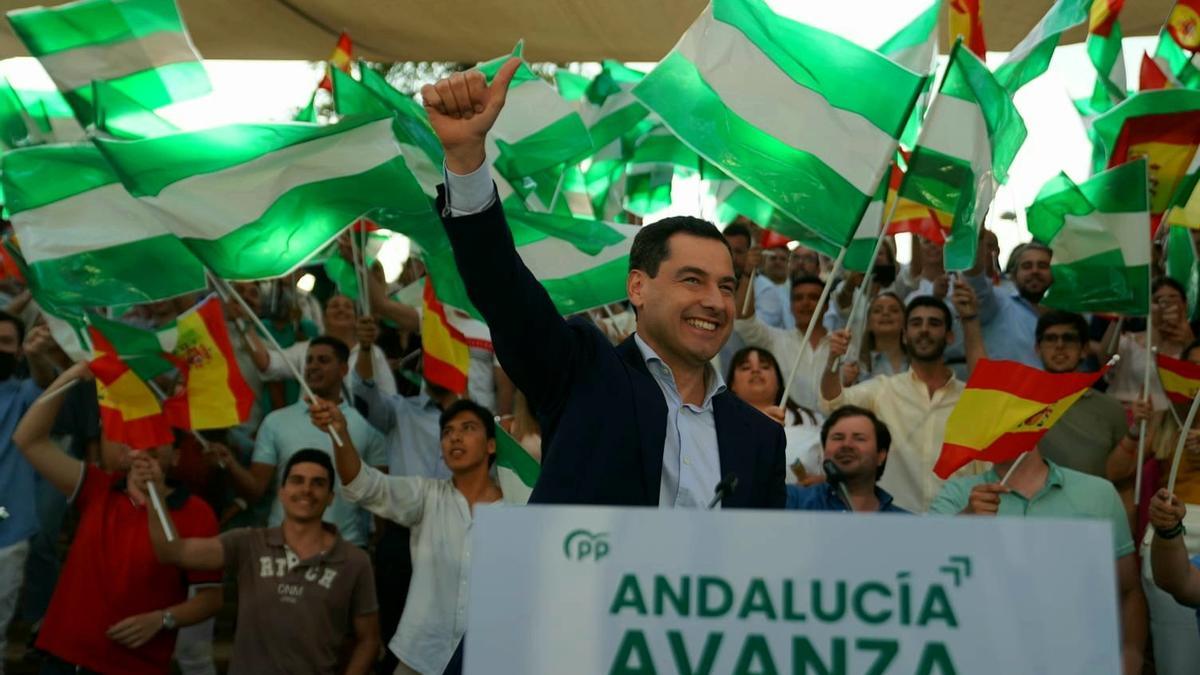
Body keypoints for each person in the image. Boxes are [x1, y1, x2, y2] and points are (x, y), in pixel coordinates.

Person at [422, 59, 785, 508]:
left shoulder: (761, 439)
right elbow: (501, 288)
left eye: (726, 287)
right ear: (637, 287)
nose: (714, 301)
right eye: (692, 280)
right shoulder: (582, 374)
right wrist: (464, 159)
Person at [13, 362, 223, 675]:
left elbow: (211, 598)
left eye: (159, 433)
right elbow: (28, 439)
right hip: (61, 659)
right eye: (137, 431)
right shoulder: (98, 487)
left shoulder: (196, 512)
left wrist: (163, 619)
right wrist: (70, 377)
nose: (146, 440)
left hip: (133, 667)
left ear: (176, 456)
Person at [139, 448, 380, 675]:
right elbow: (173, 552)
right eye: (297, 480)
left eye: (318, 483)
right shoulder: (248, 543)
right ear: (281, 493)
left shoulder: (354, 561)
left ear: (330, 498)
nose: (306, 490)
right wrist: (154, 495)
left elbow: (368, 639)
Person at [310, 397, 505, 675]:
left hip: (489, 658)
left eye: (468, 428)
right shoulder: (426, 495)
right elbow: (363, 485)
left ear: (491, 445)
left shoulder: (516, 511)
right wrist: (340, 432)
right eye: (447, 432)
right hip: (420, 656)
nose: (455, 437)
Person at [929, 446, 1147, 675]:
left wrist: (1131, 656)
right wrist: (964, 522)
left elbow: (1128, 590)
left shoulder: (1098, 493)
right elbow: (922, 573)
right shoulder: (958, 494)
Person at [819, 285, 987, 513]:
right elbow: (832, 403)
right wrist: (832, 362)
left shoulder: (972, 400)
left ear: (950, 336)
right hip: (894, 525)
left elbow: (986, 470)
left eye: (934, 324)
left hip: (958, 523)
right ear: (905, 336)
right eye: (916, 324)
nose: (924, 330)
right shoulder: (883, 390)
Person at [222, 336, 388, 547]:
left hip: (345, 549)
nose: (313, 366)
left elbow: (380, 496)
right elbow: (256, 489)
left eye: (323, 360)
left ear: (344, 369)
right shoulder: (275, 422)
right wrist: (230, 464)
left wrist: (374, 545)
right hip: (282, 546)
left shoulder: (368, 426)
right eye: (309, 361)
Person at [0, 311, 51, 662]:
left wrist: (38, 357)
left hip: (8, 533)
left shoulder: (24, 397)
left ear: (19, 352)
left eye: (5, 342)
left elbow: (46, 386)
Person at [1034, 311, 1129, 478]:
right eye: (1050, 339)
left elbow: (1122, 479)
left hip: (1093, 502)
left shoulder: (1111, 409)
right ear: (1037, 349)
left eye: (1069, 338)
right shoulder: (1017, 403)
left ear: (1085, 350)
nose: (1060, 345)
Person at [734, 265, 830, 410]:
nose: (805, 303)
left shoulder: (843, 345)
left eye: (814, 297)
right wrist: (748, 275)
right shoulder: (775, 339)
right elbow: (744, 321)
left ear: (827, 305)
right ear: (790, 306)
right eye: (798, 298)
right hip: (787, 426)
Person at [725, 346, 823, 485]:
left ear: (778, 382)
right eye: (746, 367)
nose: (756, 370)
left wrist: (823, 481)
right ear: (732, 384)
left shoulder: (812, 419)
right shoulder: (721, 422)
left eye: (764, 367)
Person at [785, 405, 907, 513]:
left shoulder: (906, 525)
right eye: (838, 438)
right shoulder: (792, 501)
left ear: (881, 455)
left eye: (859, 438)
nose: (846, 445)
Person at [965, 241, 1053, 368]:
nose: (1035, 271)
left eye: (1043, 266)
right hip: (1002, 387)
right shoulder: (996, 300)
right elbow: (974, 277)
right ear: (1014, 274)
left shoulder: (1065, 312)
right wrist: (978, 230)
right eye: (1027, 266)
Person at [839, 291, 907, 385]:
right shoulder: (855, 364)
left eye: (894, 310)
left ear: (905, 321)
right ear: (869, 323)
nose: (885, 313)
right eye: (877, 311)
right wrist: (844, 383)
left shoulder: (917, 362)